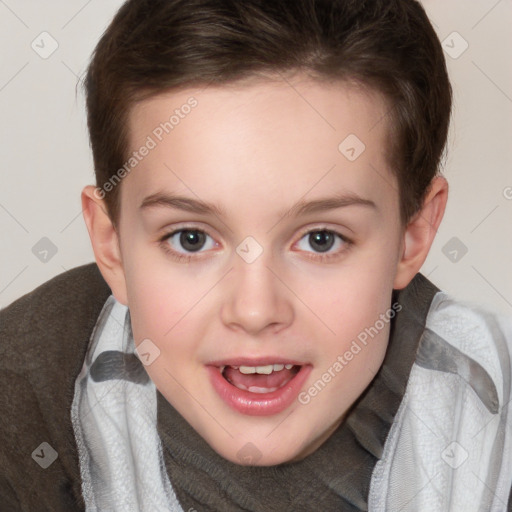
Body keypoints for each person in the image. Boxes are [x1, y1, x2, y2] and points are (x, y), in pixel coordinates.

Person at [1, 0, 511, 510]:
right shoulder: (19, 397)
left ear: (413, 233)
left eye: (320, 239)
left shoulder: (490, 429)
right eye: (191, 239)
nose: (254, 310)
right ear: (111, 244)